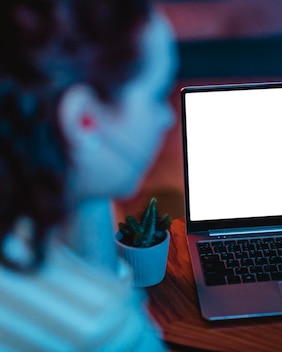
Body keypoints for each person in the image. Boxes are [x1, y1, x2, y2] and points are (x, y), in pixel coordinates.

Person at [0, 0, 177, 350]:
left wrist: (80, 176)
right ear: (84, 119)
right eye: (157, 96)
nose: (166, 119)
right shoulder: (95, 325)